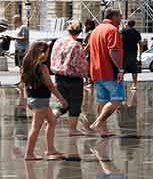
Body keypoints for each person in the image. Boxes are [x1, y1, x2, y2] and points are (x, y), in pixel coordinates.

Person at [20, 43, 68, 161]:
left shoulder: (27, 65)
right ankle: (29, 154)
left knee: (51, 121)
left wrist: (27, 99)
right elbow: (50, 86)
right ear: (41, 53)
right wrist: (62, 100)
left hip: (35, 99)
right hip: (41, 100)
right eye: (47, 52)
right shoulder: (42, 67)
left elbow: (24, 84)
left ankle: (50, 149)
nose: (48, 54)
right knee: (35, 127)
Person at [86, 8, 125, 136]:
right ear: (113, 16)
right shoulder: (112, 30)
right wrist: (120, 68)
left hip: (96, 71)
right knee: (117, 99)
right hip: (110, 71)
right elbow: (113, 50)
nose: (121, 19)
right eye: (119, 16)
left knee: (102, 101)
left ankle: (103, 130)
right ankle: (98, 122)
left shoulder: (96, 30)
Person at [50, 20, 90, 138]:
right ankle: (72, 129)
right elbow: (79, 63)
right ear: (79, 31)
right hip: (73, 78)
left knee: (62, 103)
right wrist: (86, 74)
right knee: (75, 103)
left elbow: (53, 57)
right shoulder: (76, 45)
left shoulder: (58, 41)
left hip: (59, 76)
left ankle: (49, 118)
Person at [120, 19, 142, 87]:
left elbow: (119, 40)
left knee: (122, 69)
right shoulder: (136, 32)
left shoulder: (123, 31)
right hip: (133, 53)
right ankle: (134, 84)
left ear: (127, 24)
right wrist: (140, 53)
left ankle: (121, 84)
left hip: (124, 53)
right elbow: (140, 43)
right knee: (134, 70)